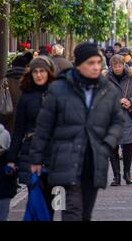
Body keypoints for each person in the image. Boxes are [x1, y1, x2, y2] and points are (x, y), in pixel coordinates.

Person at [29, 42, 124, 221]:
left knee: (85, 214)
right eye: (90, 63)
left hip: (93, 161)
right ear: (79, 64)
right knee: (71, 212)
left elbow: (117, 122)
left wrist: (107, 144)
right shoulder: (59, 88)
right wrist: (36, 157)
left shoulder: (108, 90)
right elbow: (44, 125)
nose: (96, 67)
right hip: (65, 160)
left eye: (98, 62)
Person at [6, 56, 57, 217]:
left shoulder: (57, 95)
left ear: (49, 73)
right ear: (31, 74)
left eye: (42, 71)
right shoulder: (26, 97)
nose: (39, 75)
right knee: (35, 199)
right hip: (30, 152)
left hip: (53, 154)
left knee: (51, 202)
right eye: (35, 71)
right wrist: (12, 157)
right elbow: (18, 129)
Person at [105, 55, 132, 186]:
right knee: (112, 147)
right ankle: (116, 176)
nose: (117, 68)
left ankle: (127, 173)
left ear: (124, 65)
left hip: (128, 117)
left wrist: (130, 101)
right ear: (111, 66)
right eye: (115, 66)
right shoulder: (105, 79)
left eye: (119, 65)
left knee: (128, 146)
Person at [0, 55, 28, 132]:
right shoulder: (29, 82)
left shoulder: (5, 81)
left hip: (6, 122)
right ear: (26, 66)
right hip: (23, 123)